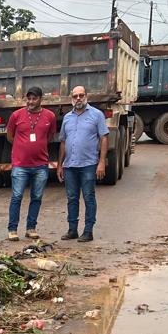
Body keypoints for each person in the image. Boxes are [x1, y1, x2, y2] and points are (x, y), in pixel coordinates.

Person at [56, 85, 108, 242]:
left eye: (81, 95)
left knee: (88, 197)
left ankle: (88, 230)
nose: (78, 98)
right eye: (75, 96)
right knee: (72, 198)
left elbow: (104, 138)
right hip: (70, 165)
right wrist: (60, 164)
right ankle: (72, 230)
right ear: (71, 98)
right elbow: (63, 142)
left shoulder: (96, 115)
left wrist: (101, 163)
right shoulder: (67, 118)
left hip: (88, 164)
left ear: (86, 96)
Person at [5, 86, 56, 241]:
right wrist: (22, 148)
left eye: (34, 98)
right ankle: (12, 229)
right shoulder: (16, 115)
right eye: (29, 98)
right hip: (20, 164)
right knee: (17, 196)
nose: (31, 102)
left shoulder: (50, 116)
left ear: (41, 99)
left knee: (37, 196)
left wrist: (36, 147)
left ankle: (31, 228)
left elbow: (50, 137)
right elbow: (10, 136)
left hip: (40, 164)